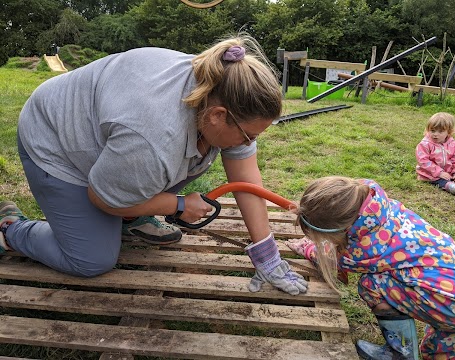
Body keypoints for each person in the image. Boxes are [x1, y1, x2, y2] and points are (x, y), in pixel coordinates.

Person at [0, 34, 307, 296]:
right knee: (91, 260)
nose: (247, 143)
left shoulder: (221, 86)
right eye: (246, 136)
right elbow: (102, 198)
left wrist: (267, 255)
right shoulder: (153, 137)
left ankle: (130, 215)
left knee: (177, 162)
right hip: (55, 141)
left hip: (118, 144)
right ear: (218, 115)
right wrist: (177, 204)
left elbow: (247, 181)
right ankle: (11, 229)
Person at [286, 176, 455, 360]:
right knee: (443, 343)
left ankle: (400, 353)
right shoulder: (384, 208)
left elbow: (331, 261)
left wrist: (308, 248)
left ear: (343, 230)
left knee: (371, 285)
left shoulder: (363, 250)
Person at [415, 112, 455, 200]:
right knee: (443, 183)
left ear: (449, 132)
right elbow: (423, 161)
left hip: (449, 173)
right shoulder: (424, 145)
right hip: (431, 175)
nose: (435, 134)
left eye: (440, 131)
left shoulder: (454, 145)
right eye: (432, 130)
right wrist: (439, 172)